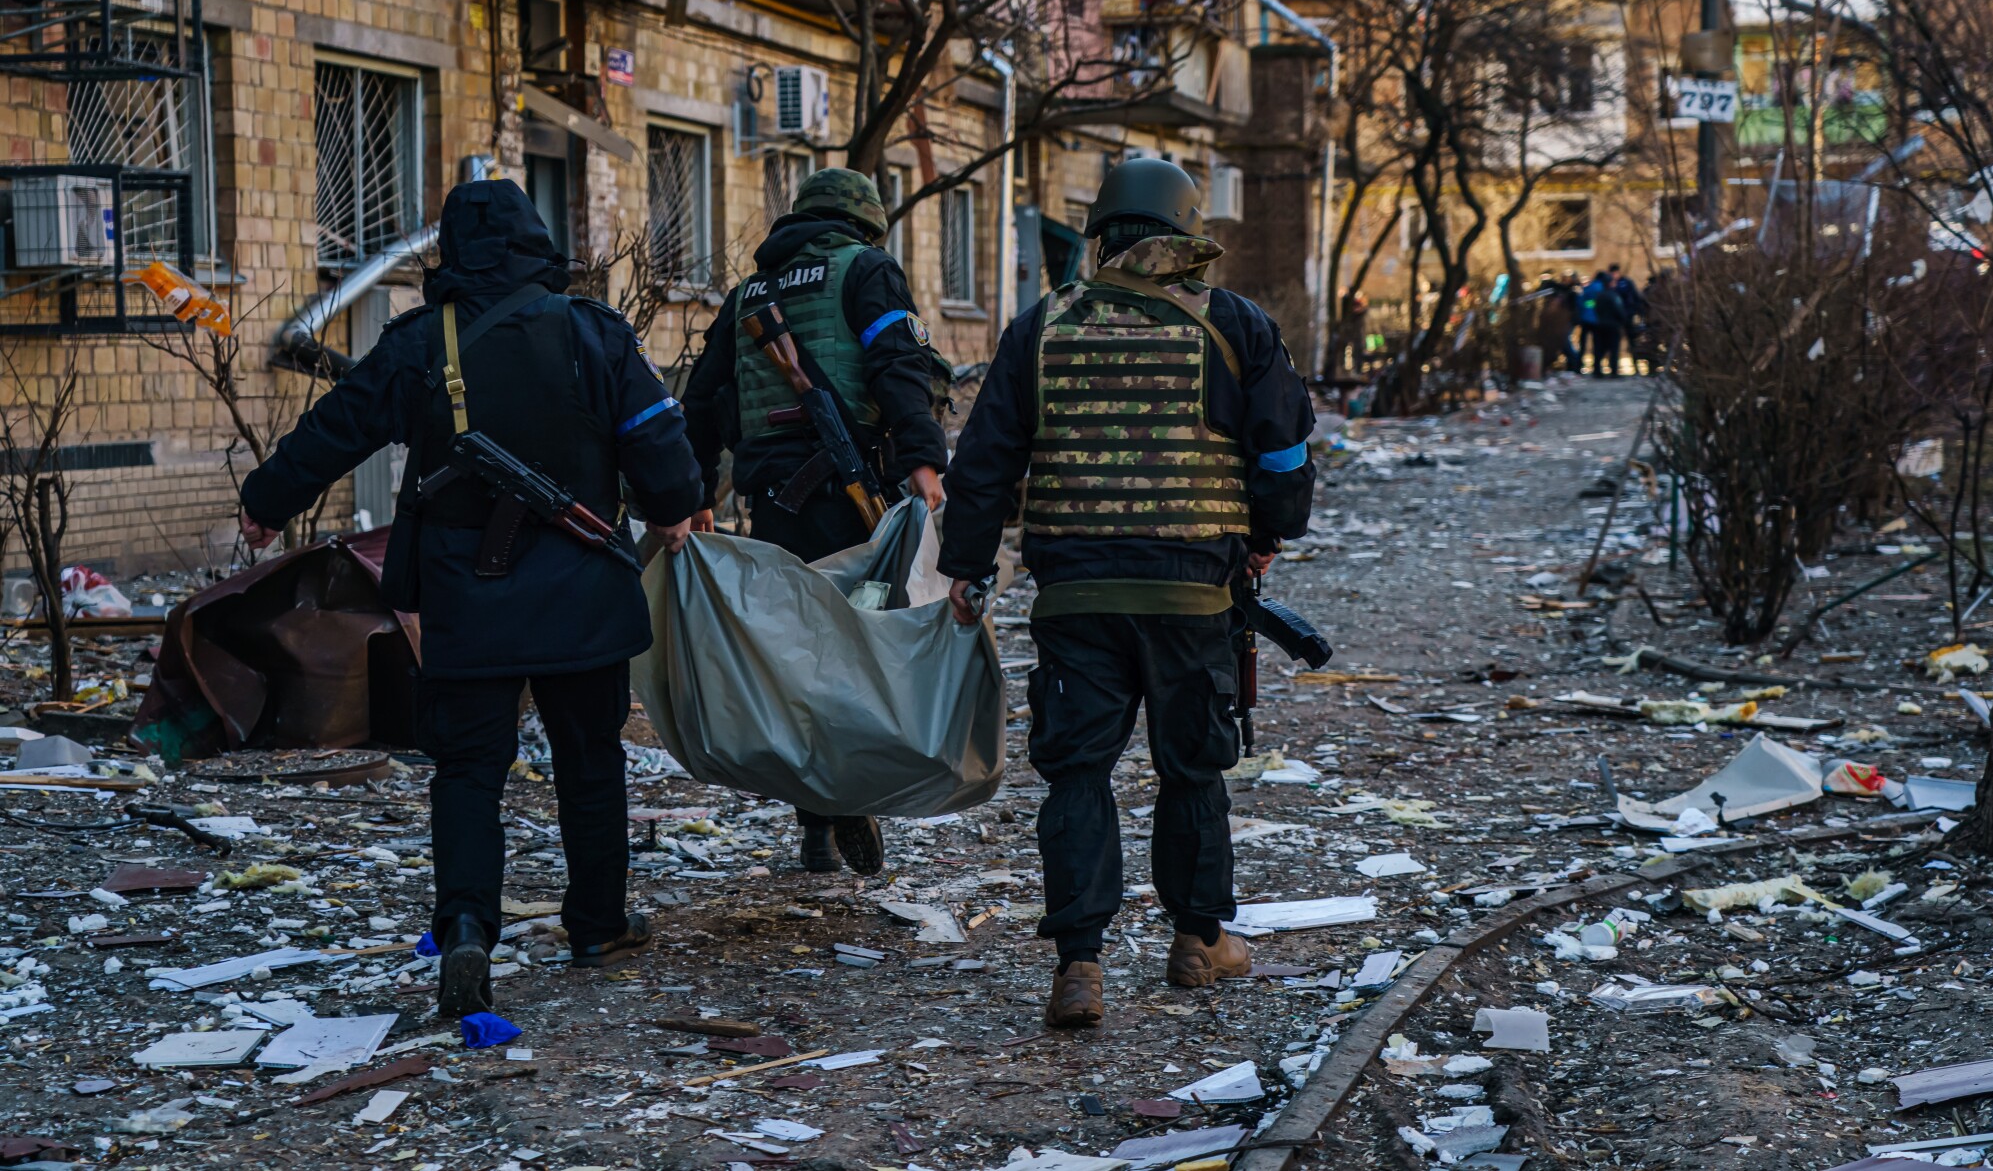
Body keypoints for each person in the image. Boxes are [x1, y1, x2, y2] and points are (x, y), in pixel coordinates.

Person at [237, 178, 703, 1018]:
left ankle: (463, 932)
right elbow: (655, 438)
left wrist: (266, 501)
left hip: (467, 598)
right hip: (582, 600)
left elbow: (339, 426)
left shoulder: (422, 341)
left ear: (451, 252)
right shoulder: (594, 333)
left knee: (467, 772)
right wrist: (675, 510)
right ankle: (597, 924)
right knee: (591, 761)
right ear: (536, 244)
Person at [935, 158, 1316, 1029]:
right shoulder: (1236, 325)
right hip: (1192, 597)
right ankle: (1196, 940)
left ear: (1101, 233)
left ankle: (1080, 964)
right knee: (1193, 768)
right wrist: (1263, 537)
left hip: (1077, 596)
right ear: (1187, 235)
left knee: (1077, 773)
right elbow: (1285, 452)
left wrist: (969, 568)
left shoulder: (1042, 326)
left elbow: (984, 462)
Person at [681, 167, 951, 878]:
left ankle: (815, 822)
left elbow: (703, 397)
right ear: (865, 223)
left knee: (800, 655)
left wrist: (693, 490)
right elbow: (900, 365)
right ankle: (843, 795)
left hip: (772, 506)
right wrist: (925, 462)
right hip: (848, 500)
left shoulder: (752, 291)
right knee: (862, 652)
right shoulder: (866, 269)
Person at [1578, 265, 1625, 377]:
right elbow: (1619, 310)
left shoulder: (1597, 294)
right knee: (1614, 349)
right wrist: (1622, 321)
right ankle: (1613, 371)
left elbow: (1590, 306)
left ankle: (1597, 371)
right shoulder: (1613, 296)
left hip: (1599, 324)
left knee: (1598, 348)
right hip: (1612, 325)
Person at [1613, 265, 1649, 371]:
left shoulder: (1626, 283)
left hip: (1628, 316)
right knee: (1615, 343)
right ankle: (1615, 366)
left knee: (1632, 341)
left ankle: (1635, 365)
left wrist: (1638, 313)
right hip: (1617, 318)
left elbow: (1635, 298)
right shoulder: (1611, 284)